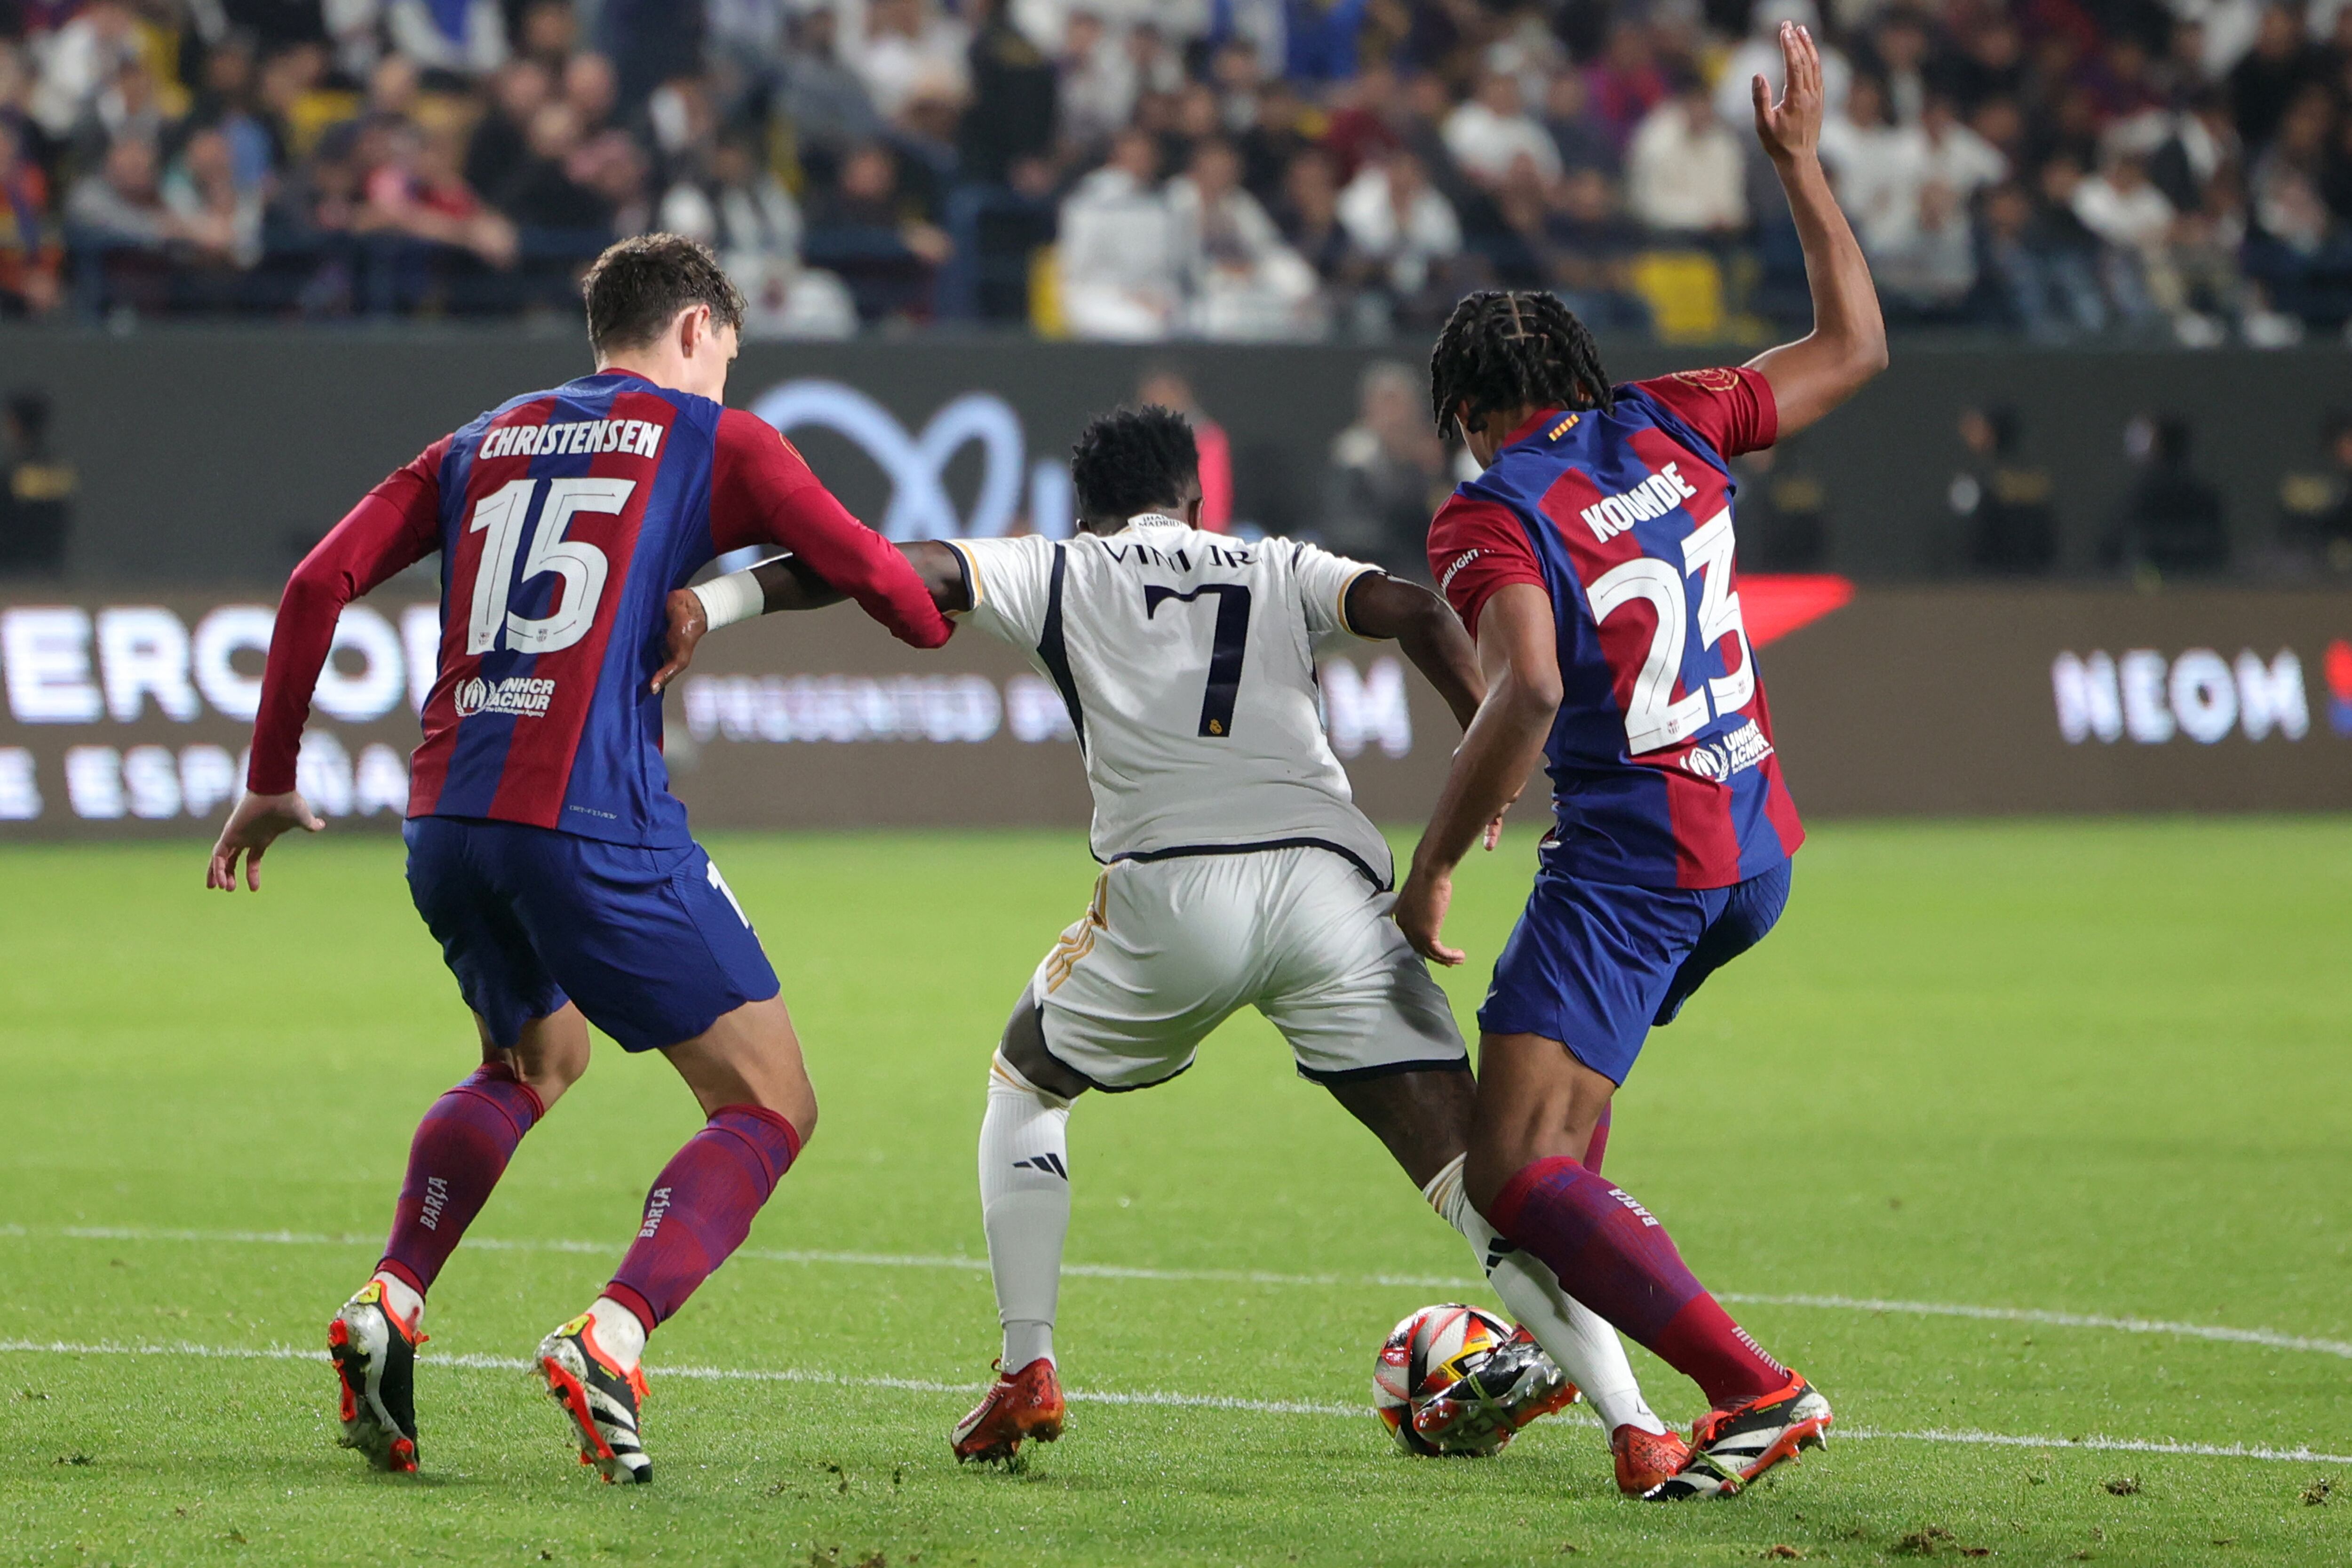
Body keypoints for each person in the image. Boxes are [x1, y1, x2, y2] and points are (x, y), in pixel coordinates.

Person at [656, 406, 1697, 1498]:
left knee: (1027, 1080)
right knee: (1473, 1178)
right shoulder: (1275, 562)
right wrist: (1483, 730)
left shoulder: (1056, 567)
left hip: (1172, 898)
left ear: (1085, 509)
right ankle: (1636, 1423)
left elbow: (872, 565)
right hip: (1330, 894)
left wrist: (713, 602)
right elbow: (1417, 609)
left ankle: (1026, 1365)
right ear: (1196, 502)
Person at [202, 235, 955, 1484]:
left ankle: (392, 1296)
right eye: (729, 353)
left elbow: (316, 580)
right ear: (699, 329)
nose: (726, 375)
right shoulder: (716, 437)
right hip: (590, 818)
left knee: (533, 1058)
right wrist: (936, 614)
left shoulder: (477, 439)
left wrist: (272, 773)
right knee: (770, 1103)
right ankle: (612, 1331)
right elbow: (880, 577)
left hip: (449, 817)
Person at [1393, 22, 1888, 1500]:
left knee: (1510, 1165)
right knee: (1560, 1138)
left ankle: (1754, 1386)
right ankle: (1581, 1356)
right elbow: (1856, 349)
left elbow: (1529, 685)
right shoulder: (1675, 416)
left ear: (1471, 413)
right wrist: (1801, 169)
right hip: (1756, 843)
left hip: (1633, 861)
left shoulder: (1490, 511)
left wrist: (1432, 864)